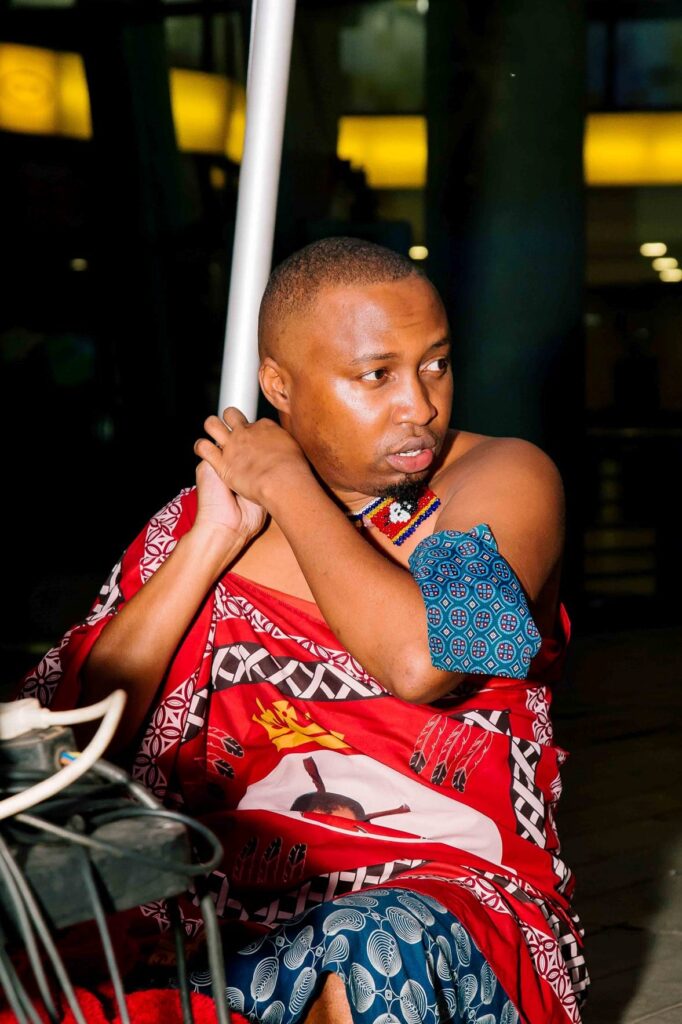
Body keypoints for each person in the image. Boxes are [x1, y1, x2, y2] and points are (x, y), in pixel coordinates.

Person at [19, 237, 588, 1024]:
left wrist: (287, 483)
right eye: (376, 375)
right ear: (279, 386)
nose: (419, 405)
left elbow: (427, 661)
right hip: (216, 909)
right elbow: (74, 743)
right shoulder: (209, 520)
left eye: (435, 364)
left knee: (375, 947)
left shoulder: (496, 480)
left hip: (441, 907)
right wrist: (209, 544)